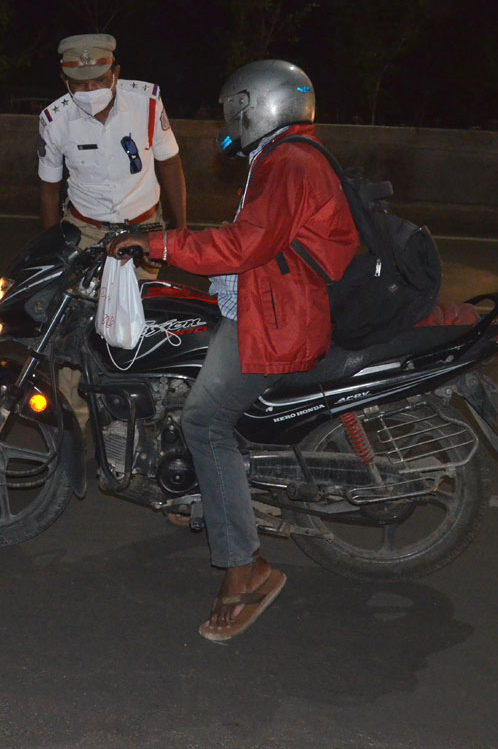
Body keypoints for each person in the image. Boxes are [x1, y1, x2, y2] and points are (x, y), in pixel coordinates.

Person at [108, 60, 359, 642]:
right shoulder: (283, 154)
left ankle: (246, 569)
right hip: (268, 301)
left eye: (234, 107)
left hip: (276, 316)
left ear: (259, 105)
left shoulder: (290, 162)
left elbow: (248, 242)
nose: (229, 118)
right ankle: (204, 495)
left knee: (205, 423)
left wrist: (159, 242)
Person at [38, 33, 187, 262]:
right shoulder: (54, 121)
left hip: (144, 231)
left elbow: (169, 163)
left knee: (143, 298)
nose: (90, 90)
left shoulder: (146, 104)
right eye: (79, 83)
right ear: (64, 80)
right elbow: (49, 190)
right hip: (84, 233)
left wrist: (181, 230)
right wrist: (52, 248)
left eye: (99, 79)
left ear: (115, 73)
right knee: (81, 299)